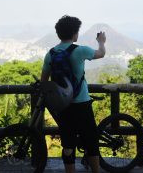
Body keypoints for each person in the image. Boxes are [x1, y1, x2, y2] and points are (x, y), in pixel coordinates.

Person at [41, 15, 106, 173]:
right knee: (91, 142)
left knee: (68, 145)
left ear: (59, 34)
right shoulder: (80, 50)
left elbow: (44, 80)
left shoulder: (51, 54)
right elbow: (101, 53)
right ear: (75, 34)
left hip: (63, 105)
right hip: (82, 102)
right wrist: (101, 42)